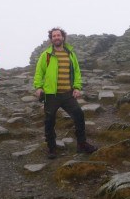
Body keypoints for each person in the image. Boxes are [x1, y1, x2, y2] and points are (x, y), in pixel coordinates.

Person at [34, 27, 98, 159]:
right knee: (49, 121)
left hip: (68, 94)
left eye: (58, 35)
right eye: (54, 36)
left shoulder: (70, 53)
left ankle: (82, 144)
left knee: (79, 115)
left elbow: (77, 71)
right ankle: (51, 148)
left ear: (63, 37)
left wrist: (77, 87)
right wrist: (38, 87)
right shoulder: (46, 54)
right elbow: (39, 72)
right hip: (51, 95)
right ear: (51, 39)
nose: (56, 37)